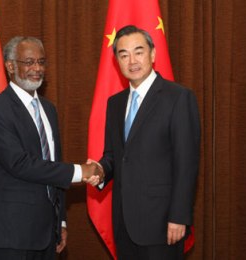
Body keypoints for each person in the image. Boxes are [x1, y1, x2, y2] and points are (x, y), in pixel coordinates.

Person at [0, 36, 103, 259]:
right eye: (29, 62)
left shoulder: (48, 109)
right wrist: (80, 172)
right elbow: (19, 164)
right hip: (10, 234)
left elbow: (52, 165)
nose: (37, 68)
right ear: (10, 66)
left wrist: (60, 220)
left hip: (46, 233)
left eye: (41, 62)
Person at [92, 25, 201, 259]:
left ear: (152, 54)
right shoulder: (115, 103)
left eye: (138, 51)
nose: (132, 60)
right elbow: (114, 154)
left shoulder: (179, 98)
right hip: (123, 222)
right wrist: (100, 171)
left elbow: (187, 164)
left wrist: (179, 216)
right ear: (117, 62)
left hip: (162, 223)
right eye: (123, 54)